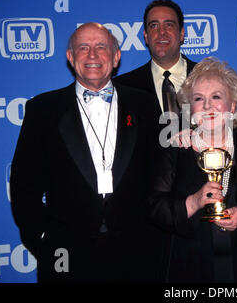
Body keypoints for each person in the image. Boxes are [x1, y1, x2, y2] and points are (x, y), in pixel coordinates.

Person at [10, 23, 162, 282]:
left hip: (137, 252)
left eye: (101, 47)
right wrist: (44, 241)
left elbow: (160, 173)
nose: (92, 55)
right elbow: (24, 186)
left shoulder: (145, 105)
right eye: (83, 47)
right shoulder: (42, 109)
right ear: (70, 57)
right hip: (65, 255)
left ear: (116, 57)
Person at [147, 57, 237, 283]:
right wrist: (192, 202)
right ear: (189, 109)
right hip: (189, 271)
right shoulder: (175, 149)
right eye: (198, 99)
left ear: (232, 106)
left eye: (216, 97)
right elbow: (154, 207)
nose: (207, 106)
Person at [114, 0, 197, 118]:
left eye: (169, 25)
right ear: (146, 36)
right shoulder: (123, 87)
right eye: (154, 26)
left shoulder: (208, 78)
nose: (161, 32)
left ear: (182, 34)